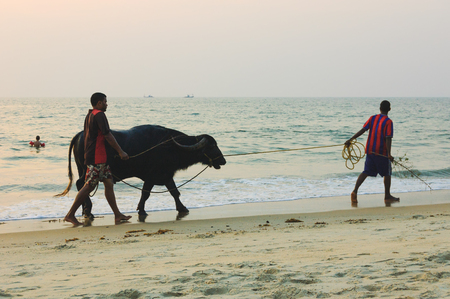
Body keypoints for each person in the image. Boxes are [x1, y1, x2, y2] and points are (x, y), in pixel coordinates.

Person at [64, 92, 132, 226]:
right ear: (99, 103)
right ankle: (70, 215)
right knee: (89, 186)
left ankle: (117, 215)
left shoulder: (90, 114)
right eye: (105, 102)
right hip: (97, 157)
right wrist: (120, 151)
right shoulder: (100, 115)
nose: (107, 104)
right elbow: (108, 135)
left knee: (109, 184)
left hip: (98, 157)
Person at [345, 100, 399, 205]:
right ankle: (387, 196)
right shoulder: (388, 122)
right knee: (387, 173)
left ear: (380, 108)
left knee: (366, 171)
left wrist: (350, 139)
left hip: (370, 150)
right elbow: (388, 138)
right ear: (389, 109)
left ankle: (354, 191)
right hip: (381, 152)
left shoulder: (373, 118)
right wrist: (389, 154)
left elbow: (362, 130)